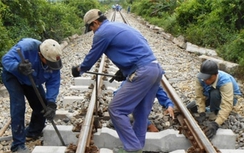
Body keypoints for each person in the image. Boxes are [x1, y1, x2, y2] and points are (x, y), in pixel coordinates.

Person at [71, 9, 163, 153]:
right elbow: (139, 47)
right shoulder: (120, 26)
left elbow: (93, 56)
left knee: (116, 109)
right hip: (155, 68)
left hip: (143, 71)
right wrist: (126, 70)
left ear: (95, 23)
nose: (92, 32)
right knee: (141, 113)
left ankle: (133, 148)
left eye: (91, 28)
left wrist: (79, 69)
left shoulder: (102, 32)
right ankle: (137, 148)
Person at [1, 38, 63, 153]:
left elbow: (54, 83)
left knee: (42, 104)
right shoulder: (27, 47)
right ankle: (18, 144)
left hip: (32, 79)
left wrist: (51, 103)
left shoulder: (53, 59)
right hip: (13, 76)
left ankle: (33, 131)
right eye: (48, 63)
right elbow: (5, 59)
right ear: (40, 55)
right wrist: (18, 66)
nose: (51, 66)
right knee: (19, 105)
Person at [187, 59, 242, 139]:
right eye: (204, 78)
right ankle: (208, 110)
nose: (205, 81)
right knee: (191, 108)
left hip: (231, 97)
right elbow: (199, 96)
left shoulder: (225, 81)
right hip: (209, 93)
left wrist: (216, 124)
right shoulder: (200, 78)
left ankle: (215, 112)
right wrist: (201, 112)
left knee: (214, 92)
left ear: (215, 75)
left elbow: (227, 104)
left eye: (208, 78)